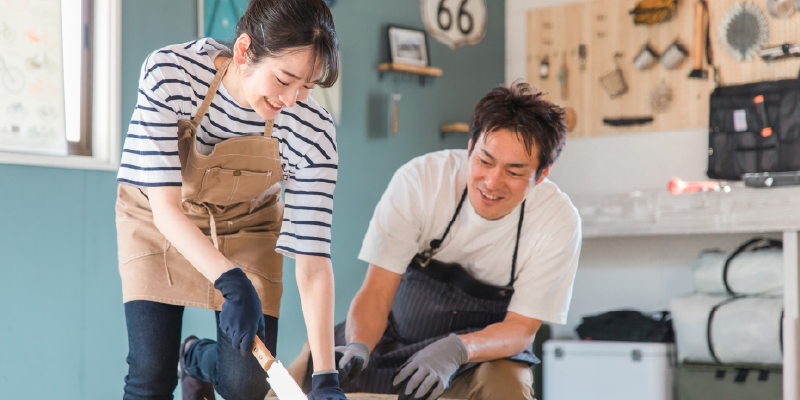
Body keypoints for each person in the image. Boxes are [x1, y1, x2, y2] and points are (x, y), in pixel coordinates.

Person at [115, 1, 348, 399]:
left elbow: (312, 261)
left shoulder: (314, 131)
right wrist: (230, 280)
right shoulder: (170, 73)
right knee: (150, 373)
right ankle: (176, 356)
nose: (292, 100)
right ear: (243, 51)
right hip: (162, 217)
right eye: (284, 79)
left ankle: (194, 356)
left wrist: (325, 377)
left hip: (249, 226)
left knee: (245, 386)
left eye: (308, 86)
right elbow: (165, 209)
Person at [296, 83, 581, 400]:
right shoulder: (421, 181)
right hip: (391, 336)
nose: (492, 182)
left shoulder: (557, 221)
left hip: (480, 356)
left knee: (507, 387)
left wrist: (459, 348)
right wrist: (359, 345)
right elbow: (376, 292)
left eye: (515, 172)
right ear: (470, 147)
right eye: (485, 161)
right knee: (298, 381)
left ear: (541, 175)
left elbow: (522, 328)